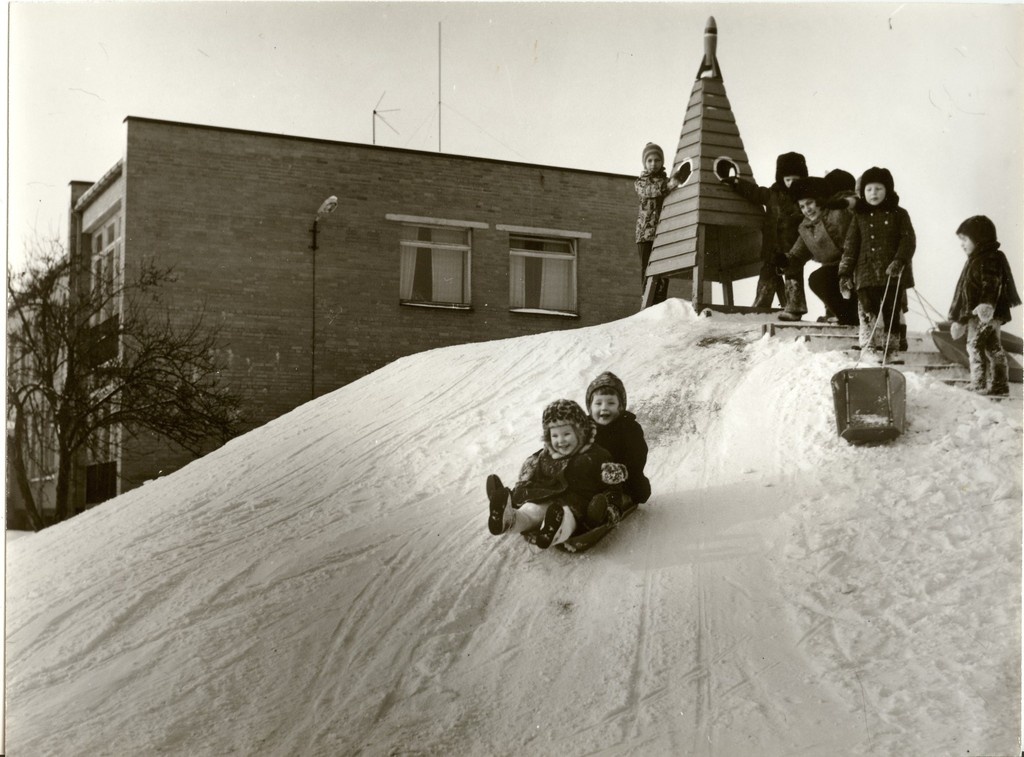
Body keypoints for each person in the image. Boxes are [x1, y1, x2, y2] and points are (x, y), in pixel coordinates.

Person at [486, 399, 626, 549]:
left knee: (566, 517)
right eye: (555, 436)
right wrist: (519, 493)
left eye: (566, 434)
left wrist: (612, 506)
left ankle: (553, 531)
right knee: (530, 512)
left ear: (580, 432)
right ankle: (510, 520)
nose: (561, 441)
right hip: (544, 495)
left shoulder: (596, 455)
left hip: (576, 504)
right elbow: (534, 478)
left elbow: (613, 488)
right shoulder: (546, 455)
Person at [838, 167, 916, 357]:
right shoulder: (859, 216)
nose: (873, 193)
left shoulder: (899, 214)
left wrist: (899, 261)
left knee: (891, 313)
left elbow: (908, 240)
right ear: (862, 192)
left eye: (878, 189)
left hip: (891, 275)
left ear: (888, 190)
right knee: (867, 312)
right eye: (869, 189)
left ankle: (891, 349)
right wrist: (845, 273)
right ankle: (868, 348)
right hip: (865, 274)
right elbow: (851, 246)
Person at [947, 215, 1021, 395]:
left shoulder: (988, 259)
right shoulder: (975, 260)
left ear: (979, 238)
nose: (962, 244)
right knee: (992, 347)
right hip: (983, 313)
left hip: (985, 312)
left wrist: (986, 304)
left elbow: (992, 282)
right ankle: (999, 385)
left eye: (965, 239)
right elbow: (963, 292)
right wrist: (960, 318)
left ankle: (979, 383)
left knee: (974, 345)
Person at [726, 151, 808, 311]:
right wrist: (737, 183)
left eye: (795, 180)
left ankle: (795, 307)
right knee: (767, 277)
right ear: (781, 178)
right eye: (788, 179)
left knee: (794, 276)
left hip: (793, 249)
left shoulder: (803, 199)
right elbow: (755, 192)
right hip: (772, 248)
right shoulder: (772, 194)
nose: (791, 183)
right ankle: (761, 306)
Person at [781, 176, 858, 325]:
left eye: (809, 203)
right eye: (802, 206)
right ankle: (848, 318)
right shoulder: (806, 227)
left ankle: (862, 315)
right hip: (835, 270)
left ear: (820, 200)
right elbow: (797, 255)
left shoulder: (836, 213)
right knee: (817, 279)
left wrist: (844, 202)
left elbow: (853, 205)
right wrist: (784, 260)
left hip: (855, 265)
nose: (807, 210)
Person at [583, 372, 651, 526]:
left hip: (620, 478)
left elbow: (638, 455)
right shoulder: (584, 427)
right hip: (590, 477)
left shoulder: (629, 427)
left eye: (611, 403)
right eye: (598, 403)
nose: (604, 408)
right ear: (589, 407)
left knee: (638, 489)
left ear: (620, 406)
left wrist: (620, 471)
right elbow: (565, 445)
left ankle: (609, 510)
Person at [635, 143, 682, 305]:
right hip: (646, 234)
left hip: (663, 232)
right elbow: (650, 191)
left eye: (656, 160)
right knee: (647, 267)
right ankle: (646, 297)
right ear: (644, 163)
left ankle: (660, 299)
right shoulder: (641, 182)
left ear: (662, 162)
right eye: (649, 160)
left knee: (663, 268)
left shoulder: (667, 181)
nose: (653, 163)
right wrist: (669, 185)